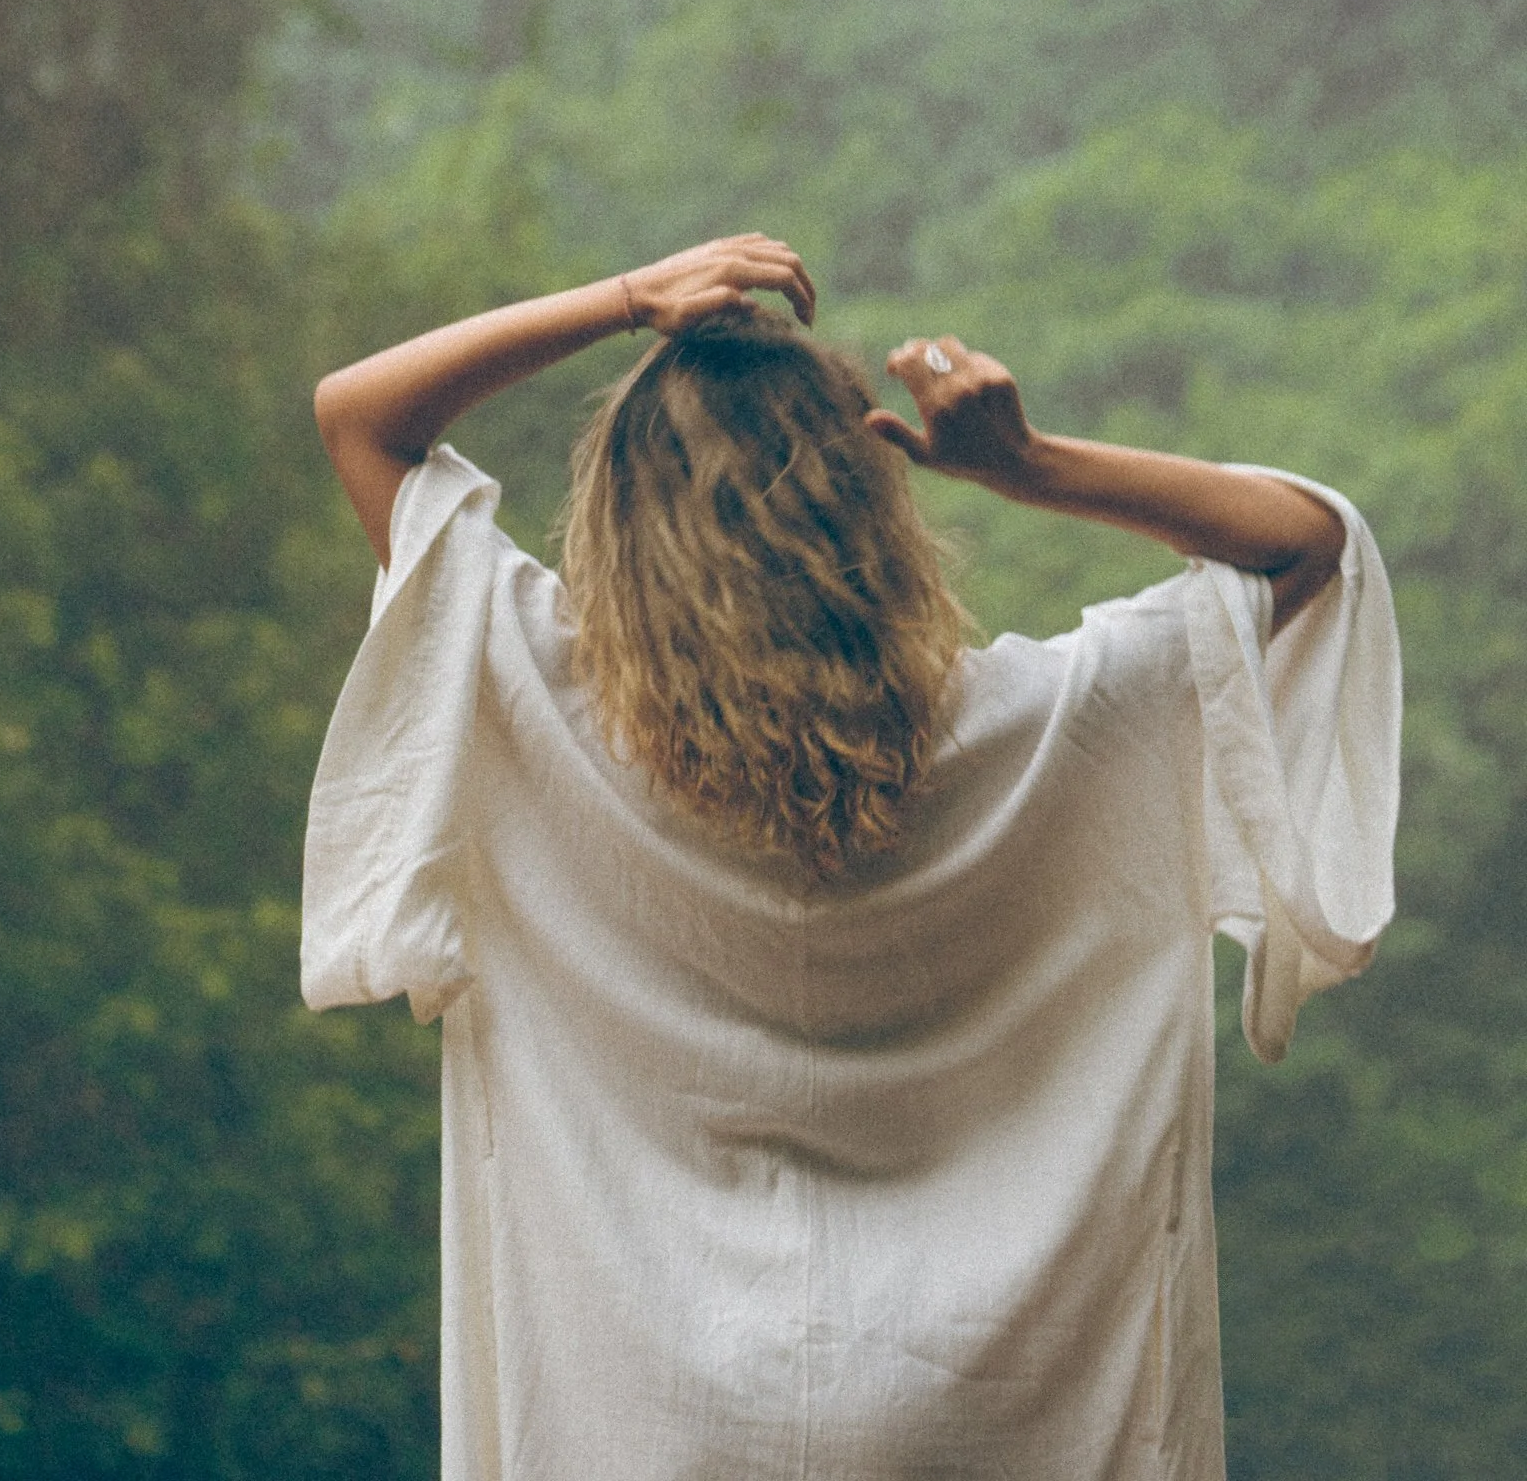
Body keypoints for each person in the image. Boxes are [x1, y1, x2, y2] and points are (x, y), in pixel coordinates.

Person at [303, 234, 1401, 1481]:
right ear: (873, 510)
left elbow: (362, 419)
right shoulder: (1040, 733)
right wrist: (1031, 466)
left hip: (639, 1413)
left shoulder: (532, 696)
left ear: (616, 520)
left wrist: (624, 302)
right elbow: (1312, 552)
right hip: (986, 1413)